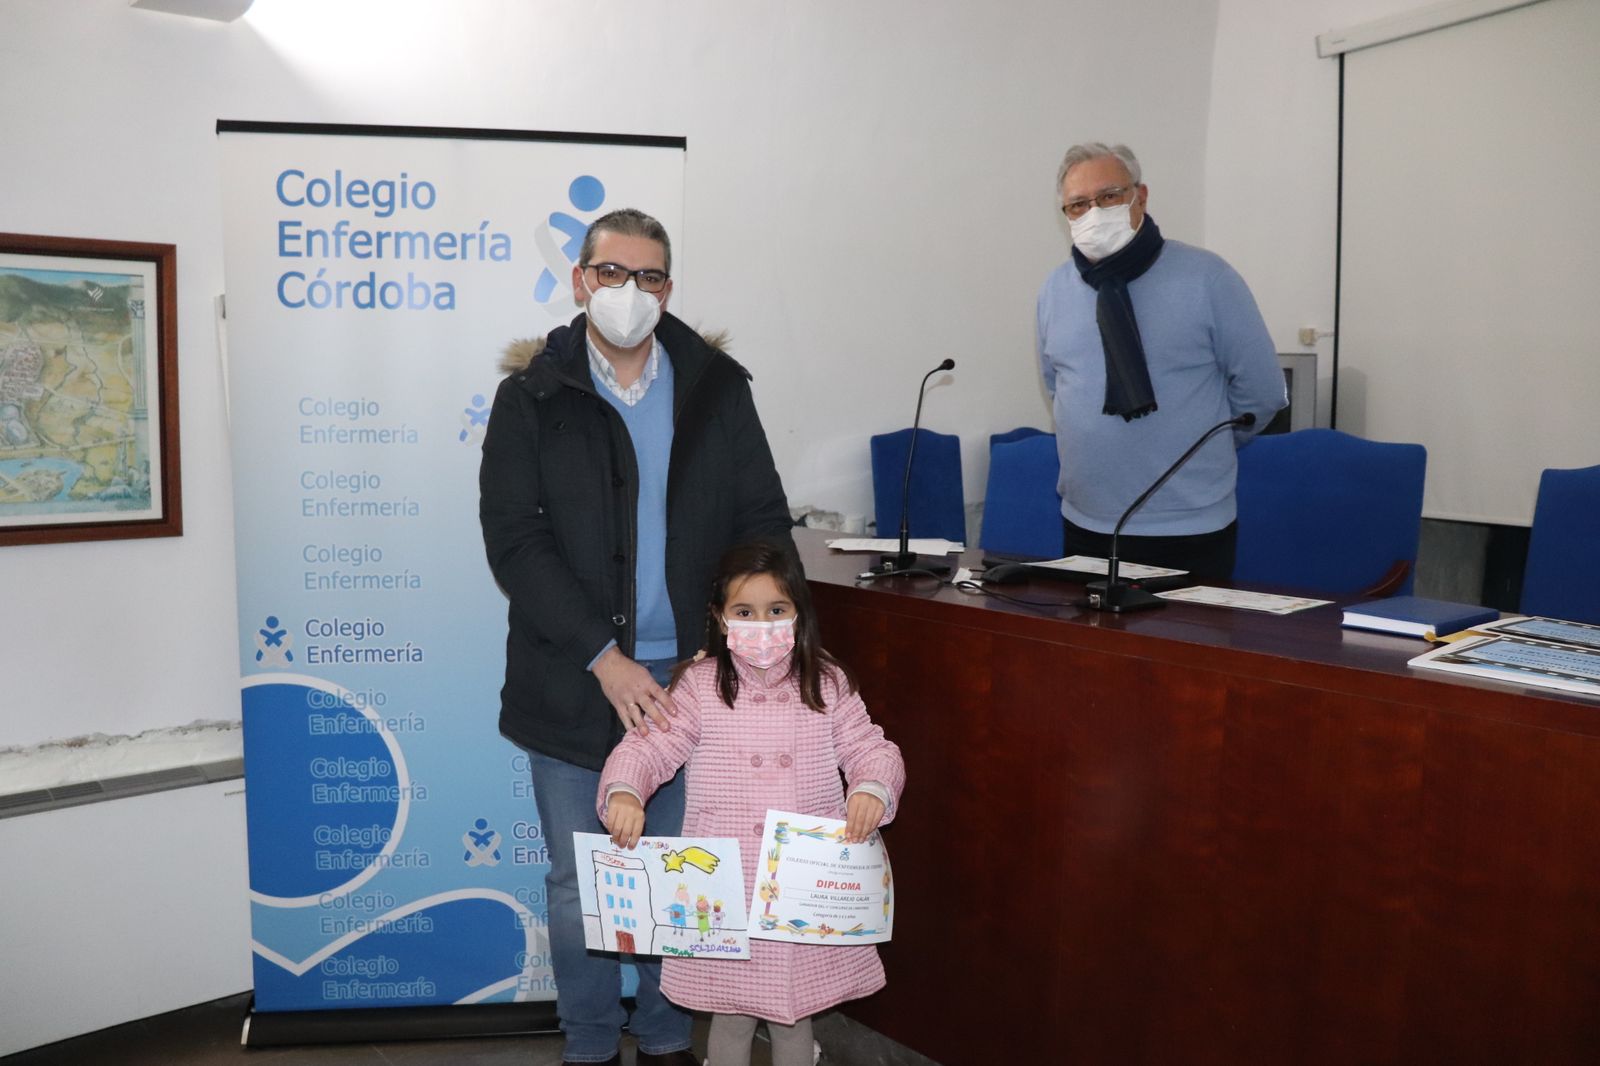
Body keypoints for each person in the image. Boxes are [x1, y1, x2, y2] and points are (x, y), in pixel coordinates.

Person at [480, 207, 792, 1066]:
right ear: (581, 281)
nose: (630, 291)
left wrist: (721, 639)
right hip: (574, 678)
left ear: (668, 289)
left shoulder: (717, 390)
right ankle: (588, 1042)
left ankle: (662, 1035)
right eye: (612, 273)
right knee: (582, 885)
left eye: (649, 276)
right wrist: (604, 658)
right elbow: (515, 541)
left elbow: (761, 521)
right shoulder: (531, 397)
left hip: (692, 678)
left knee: (680, 874)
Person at [599, 540, 906, 1066]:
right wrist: (625, 790)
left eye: (776, 611)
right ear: (721, 618)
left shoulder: (827, 684)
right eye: (745, 612)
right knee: (731, 1014)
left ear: (798, 615)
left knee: (793, 1014)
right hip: (727, 888)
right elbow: (649, 747)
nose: (761, 625)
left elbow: (870, 748)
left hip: (802, 886)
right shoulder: (699, 686)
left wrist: (872, 790)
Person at [1037, 142, 1285, 579]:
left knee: (1186, 649)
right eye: (1078, 205)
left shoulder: (1208, 278)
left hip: (1189, 527)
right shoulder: (1055, 290)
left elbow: (1260, 395)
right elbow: (1059, 389)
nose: (1093, 212)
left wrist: (1199, 445)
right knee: (1089, 650)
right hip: (1086, 524)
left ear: (1141, 196)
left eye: (1109, 196)